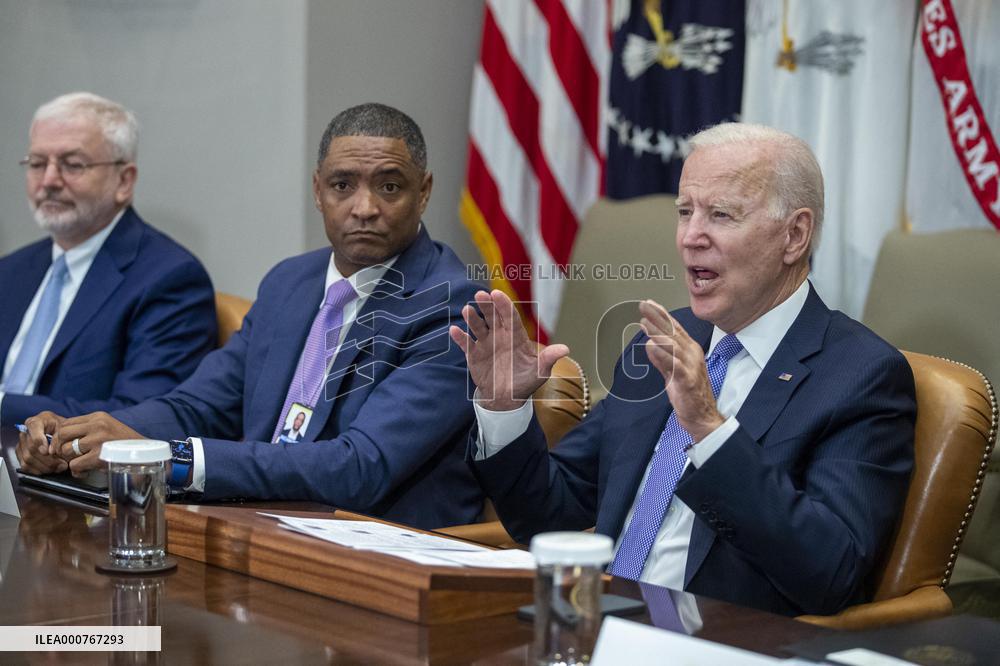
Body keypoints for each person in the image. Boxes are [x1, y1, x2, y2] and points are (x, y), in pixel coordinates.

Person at [451, 123, 916, 616]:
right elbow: (551, 513)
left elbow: (829, 574)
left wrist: (709, 430)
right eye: (685, 212)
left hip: (719, 643)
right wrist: (504, 408)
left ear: (794, 235)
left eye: (721, 215)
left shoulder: (860, 376)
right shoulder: (665, 340)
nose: (692, 237)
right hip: (597, 623)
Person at [18, 103, 482, 530]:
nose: (364, 208)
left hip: (376, 553)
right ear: (318, 190)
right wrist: (77, 439)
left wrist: (171, 459)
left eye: (390, 186)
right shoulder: (290, 282)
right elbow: (196, 406)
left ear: (423, 193)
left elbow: (359, 466)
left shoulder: (453, 305)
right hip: (255, 525)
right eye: (343, 185)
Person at [0, 92, 216, 435]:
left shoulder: (170, 279)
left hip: (65, 478)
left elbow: (137, 415)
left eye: (73, 164)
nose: (49, 181)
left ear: (124, 181)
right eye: (38, 163)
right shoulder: (12, 270)